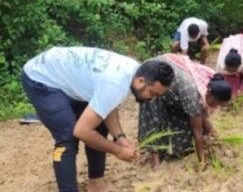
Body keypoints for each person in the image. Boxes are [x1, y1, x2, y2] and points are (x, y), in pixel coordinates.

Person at [22, 47, 174, 192]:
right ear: (141, 81)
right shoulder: (115, 83)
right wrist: (118, 150)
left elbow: (107, 105)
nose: (152, 99)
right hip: (41, 78)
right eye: (152, 93)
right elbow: (81, 131)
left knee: (99, 125)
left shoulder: (134, 72)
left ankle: (96, 185)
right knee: (67, 138)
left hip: (63, 74)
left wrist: (119, 137)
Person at [139, 54, 231, 169]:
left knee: (182, 118)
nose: (216, 107)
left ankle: (169, 149)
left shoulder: (213, 80)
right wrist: (201, 161)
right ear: (209, 93)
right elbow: (197, 131)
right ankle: (155, 157)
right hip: (153, 77)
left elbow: (201, 112)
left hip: (174, 81)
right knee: (154, 115)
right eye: (216, 103)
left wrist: (212, 131)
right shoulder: (192, 93)